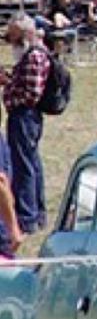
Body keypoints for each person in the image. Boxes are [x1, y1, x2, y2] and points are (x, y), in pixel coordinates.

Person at [0, 14, 48, 234]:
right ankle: (37, 213)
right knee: (31, 162)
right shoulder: (29, 54)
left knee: (23, 166)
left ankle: (27, 217)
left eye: (14, 35)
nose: (11, 39)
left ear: (24, 33)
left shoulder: (34, 56)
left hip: (24, 116)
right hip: (24, 116)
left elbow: (31, 94)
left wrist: (9, 89)